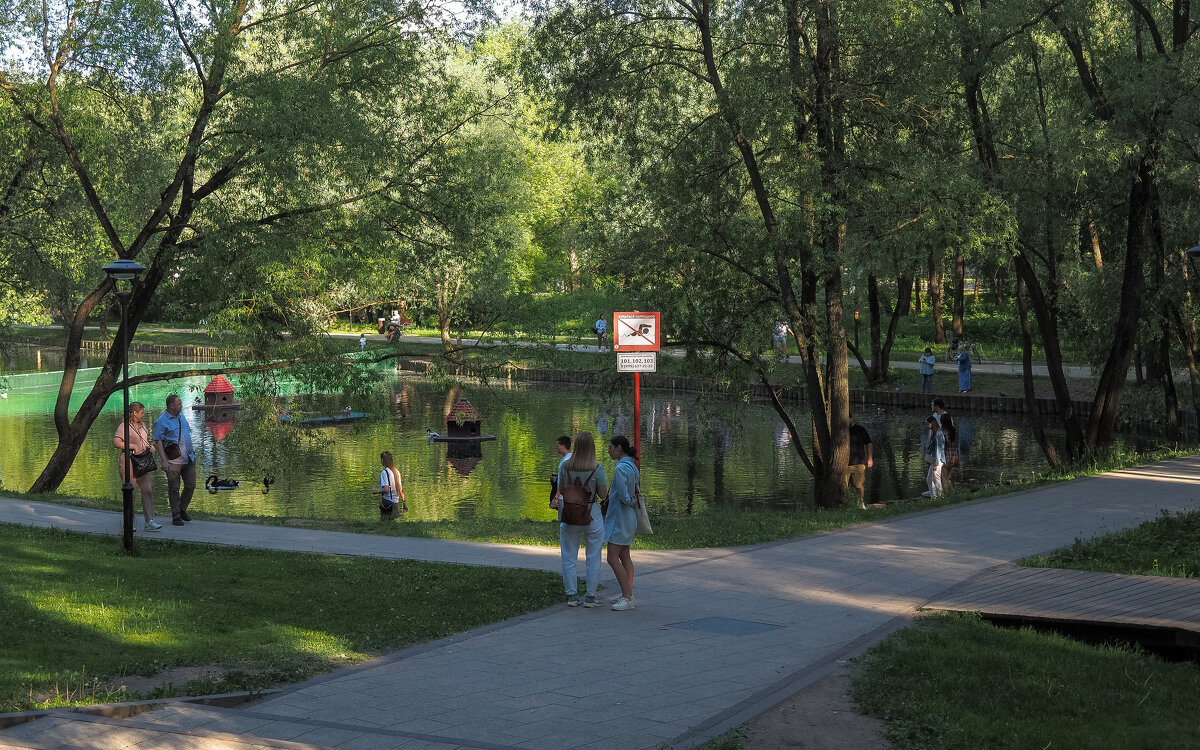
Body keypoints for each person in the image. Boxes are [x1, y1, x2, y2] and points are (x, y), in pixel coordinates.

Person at [557, 432, 608, 608]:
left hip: (570, 513)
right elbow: (603, 494)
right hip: (591, 513)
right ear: (592, 447)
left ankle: (572, 595)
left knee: (569, 555)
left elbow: (562, 489)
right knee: (593, 555)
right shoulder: (597, 468)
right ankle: (591, 597)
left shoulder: (565, 466)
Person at [605, 435, 641, 611]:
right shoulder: (632, 466)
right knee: (625, 556)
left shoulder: (620, 468)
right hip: (629, 518)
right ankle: (628, 593)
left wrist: (629, 501)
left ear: (619, 448)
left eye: (610, 447)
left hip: (619, 518)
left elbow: (623, 495)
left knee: (612, 557)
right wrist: (632, 502)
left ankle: (627, 597)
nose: (609, 450)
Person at [114, 401, 160, 531]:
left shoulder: (143, 425)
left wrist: (149, 446)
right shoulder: (124, 426)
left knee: (147, 490)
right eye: (142, 412)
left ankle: (149, 520)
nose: (143, 415)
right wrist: (132, 446)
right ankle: (130, 521)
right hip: (129, 461)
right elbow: (116, 442)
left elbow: (143, 440)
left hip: (143, 461)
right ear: (134, 413)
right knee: (131, 491)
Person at [153, 394, 196, 526]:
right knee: (174, 488)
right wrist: (164, 461)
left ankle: (182, 509)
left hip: (188, 457)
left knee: (191, 485)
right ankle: (176, 515)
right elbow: (158, 442)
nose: (181, 405)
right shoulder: (161, 421)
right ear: (171, 406)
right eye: (179, 403)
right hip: (174, 460)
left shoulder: (182, 417)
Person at [846, 415, 873, 507]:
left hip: (858, 463)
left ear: (851, 418)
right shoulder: (841, 430)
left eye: (847, 419)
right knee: (843, 487)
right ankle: (846, 504)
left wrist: (870, 458)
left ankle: (861, 503)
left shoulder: (860, 429)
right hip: (844, 464)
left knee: (859, 485)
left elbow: (869, 443)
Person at [371, 450, 407, 519]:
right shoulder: (397, 472)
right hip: (395, 504)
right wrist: (404, 503)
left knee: (384, 525)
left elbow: (386, 489)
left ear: (382, 460)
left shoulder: (384, 472)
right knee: (393, 527)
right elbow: (401, 490)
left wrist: (376, 491)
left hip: (387, 504)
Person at [932, 399, 957, 492]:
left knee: (943, 477)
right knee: (948, 478)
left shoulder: (943, 433)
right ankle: (952, 492)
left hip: (945, 456)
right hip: (952, 455)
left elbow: (941, 446)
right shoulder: (952, 433)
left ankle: (946, 495)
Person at [923, 415, 945, 498]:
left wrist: (936, 463)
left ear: (932, 423)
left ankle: (940, 496)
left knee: (936, 479)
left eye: (928, 424)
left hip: (937, 461)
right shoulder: (933, 433)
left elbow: (938, 449)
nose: (927, 425)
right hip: (934, 460)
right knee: (929, 479)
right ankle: (934, 496)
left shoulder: (938, 434)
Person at [549, 435, 571, 509]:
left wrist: (556, 497)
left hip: (563, 497)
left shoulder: (565, 461)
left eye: (558, 446)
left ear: (563, 446)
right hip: (571, 496)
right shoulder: (572, 458)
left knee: (563, 519)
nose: (557, 448)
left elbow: (564, 480)